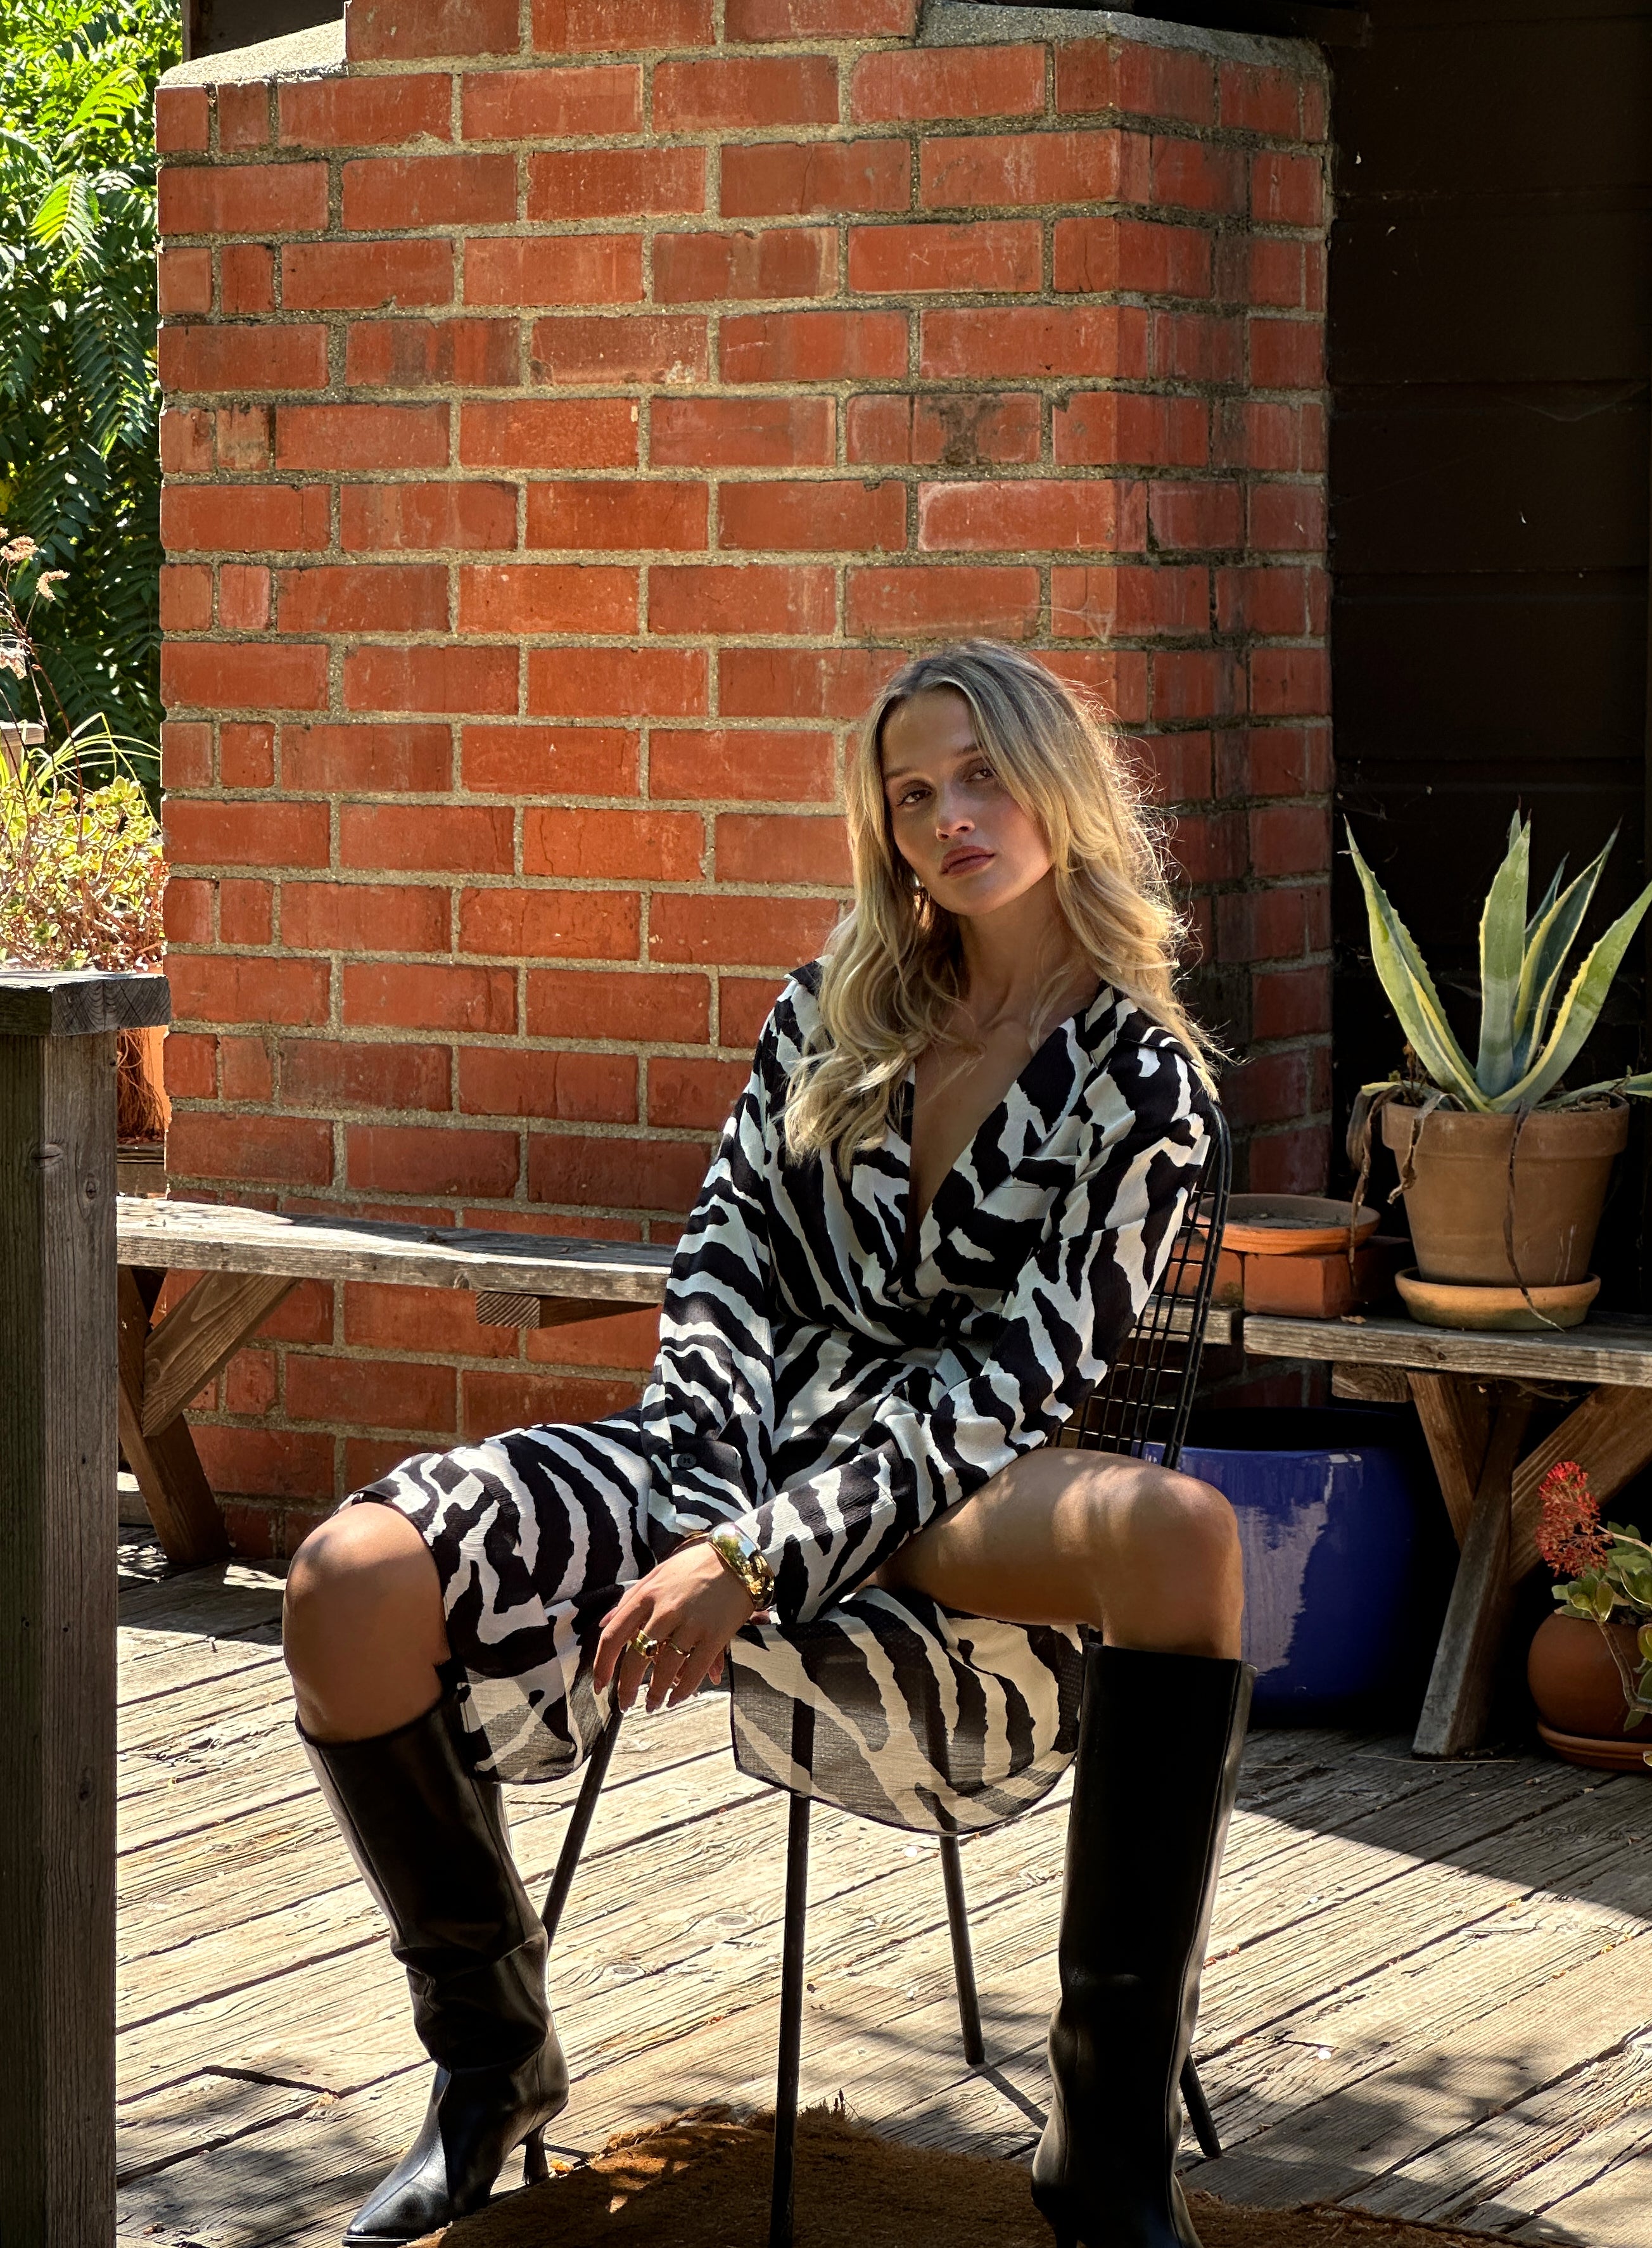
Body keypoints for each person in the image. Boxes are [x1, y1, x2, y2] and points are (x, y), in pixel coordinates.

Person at [283, 639, 1249, 2248]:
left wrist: (756, 1557)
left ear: (1060, 785)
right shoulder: (831, 1008)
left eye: (982, 776)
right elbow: (722, 1267)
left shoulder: (1143, 1083)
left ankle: (1106, 2141)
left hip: (949, 1475)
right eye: (912, 794)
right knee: (346, 1576)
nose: (949, 818)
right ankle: (489, 2065)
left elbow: (1015, 1379)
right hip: (725, 1442)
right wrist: (710, 1503)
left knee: (1184, 1533)